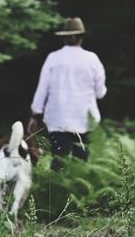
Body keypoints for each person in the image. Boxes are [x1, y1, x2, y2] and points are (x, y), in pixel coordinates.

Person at [27, 17, 106, 170]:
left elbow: (42, 89)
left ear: (64, 37)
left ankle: (57, 193)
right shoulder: (92, 59)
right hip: (85, 120)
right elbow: (100, 93)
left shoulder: (53, 58)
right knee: (81, 165)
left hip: (58, 120)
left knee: (58, 162)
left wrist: (34, 115)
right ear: (81, 37)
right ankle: (78, 193)